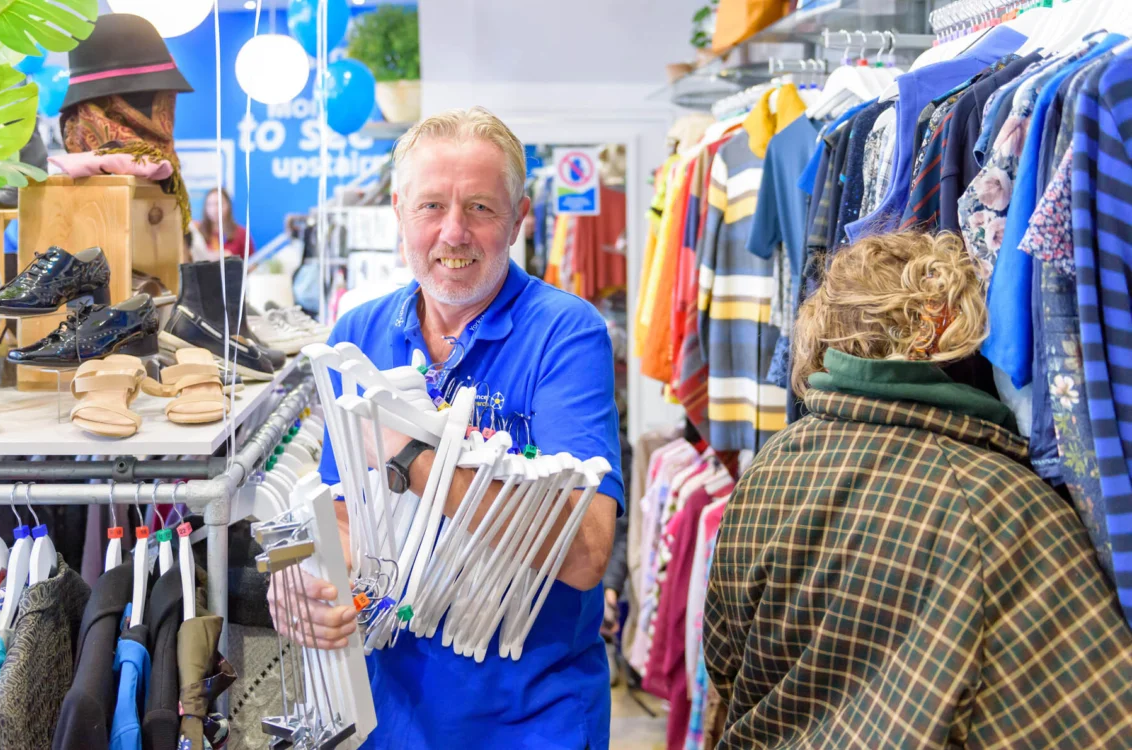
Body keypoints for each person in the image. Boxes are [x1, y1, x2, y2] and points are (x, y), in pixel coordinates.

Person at [268, 107, 624, 749]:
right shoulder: (359, 333)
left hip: (531, 720)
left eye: (481, 208)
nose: (453, 232)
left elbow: (585, 553)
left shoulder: (566, 335)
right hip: (388, 716)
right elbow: (344, 514)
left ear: (518, 220)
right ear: (400, 212)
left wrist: (410, 453)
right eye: (432, 206)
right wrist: (306, 583)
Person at [703, 232, 1132, 748]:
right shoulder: (1004, 504)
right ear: (948, 328)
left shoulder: (773, 465)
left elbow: (724, 662)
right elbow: (1104, 720)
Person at [194, 187, 254, 259]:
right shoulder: (197, 231)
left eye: (218, 204)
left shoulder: (241, 233)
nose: (214, 209)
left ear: (228, 205)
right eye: (209, 204)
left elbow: (252, 264)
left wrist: (232, 260)